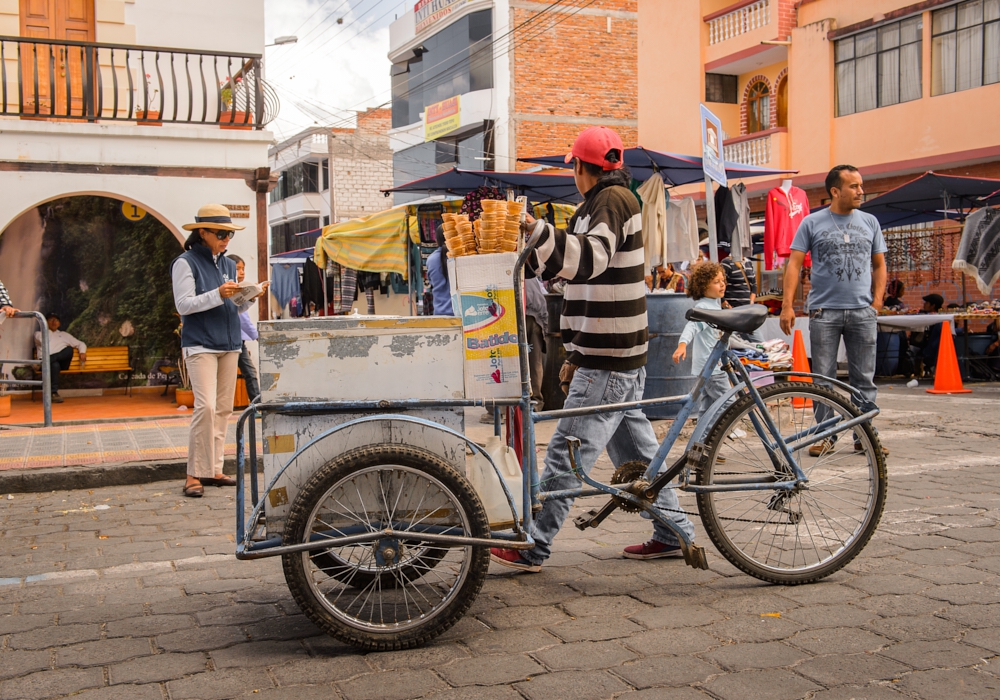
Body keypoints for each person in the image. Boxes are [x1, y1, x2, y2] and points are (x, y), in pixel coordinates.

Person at [490, 126, 695, 571]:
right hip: (610, 353)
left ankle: (534, 545)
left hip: (609, 358)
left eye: (574, 168)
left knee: (568, 450)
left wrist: (535, 227)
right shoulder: (595, 206)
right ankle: (675, 532)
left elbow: (591, 257)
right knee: (640, 455)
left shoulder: (612, 202)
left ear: (582, 168)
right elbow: (569, 271)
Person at [780, 165, 889, 457]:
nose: (860, 191)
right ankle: (827, 434)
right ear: (835, 191)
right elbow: (794, 264)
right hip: (824, 312)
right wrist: (787, 305)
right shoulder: (811, 223)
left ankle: (865, 435)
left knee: (864, 378)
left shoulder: (870, 222)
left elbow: (879, 265)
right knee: (823, 378)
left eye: (861, 185)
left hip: (862, 312)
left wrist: (876, 302)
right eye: (854, 186)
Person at [172, 204, 268, 498]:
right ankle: (192, 474)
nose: (227, 238)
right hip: (200, 343)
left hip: (229, 343)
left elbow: (233, 306)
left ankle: (213, 469)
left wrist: (250, 297)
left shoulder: (227, 264)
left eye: (230, 234)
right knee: (206, 407)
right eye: (222, 233)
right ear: (203, 232)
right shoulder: (185, 263)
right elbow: (184, 305)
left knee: (224, 409)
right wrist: (218, 294)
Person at [674, 262, 730, 418]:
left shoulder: (714, 306)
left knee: (708, 406)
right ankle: (711, 435)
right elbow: (691, 327)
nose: (722, 285)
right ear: (703, 287)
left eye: (722, 280)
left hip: (709, 367)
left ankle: (702, 439)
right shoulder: (705, 308)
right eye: (716, 282)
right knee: (727, 403)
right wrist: (682, 345)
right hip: (713, 367)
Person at [227, 254, 260, 403]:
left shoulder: (239, 289)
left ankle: (256, 404)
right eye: (238, 269)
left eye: (243, 269)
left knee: (249, 372)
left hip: (237, 339)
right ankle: (257, 404)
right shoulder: (231, 290)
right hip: (233, 339)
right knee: (249, 372)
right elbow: (243, 318)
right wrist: (256, 335)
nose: (242, 272)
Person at [33, 313, 86, 404]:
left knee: (69, 350)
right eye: (50, 320)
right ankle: (54, 393)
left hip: (59, 363)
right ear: (44, 322)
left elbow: (81, 343)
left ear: (59, 323)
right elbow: (43, 340)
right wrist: (47, 330)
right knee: (54, 364)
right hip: (50, 365)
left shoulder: (64, 335)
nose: (54, 322)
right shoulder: (38, 334)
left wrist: (82, 352)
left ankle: (45, 361)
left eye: (56, 320)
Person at [721, 253, 760, 342]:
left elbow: (754, 285)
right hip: (732, 315)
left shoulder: (748, 262)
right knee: (729, 343)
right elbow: (720, 287)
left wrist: (751, 302)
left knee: (760, 343)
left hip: (748, 314)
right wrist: (728, 308)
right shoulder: (726, 262)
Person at [524, 276, 548, 407]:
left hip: (519, 311)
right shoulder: (529, 268)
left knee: (508, 361)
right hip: (536, 315)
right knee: (534, 360)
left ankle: (501, 410)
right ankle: (536, 404)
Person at [908, 293, 945, 378]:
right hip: (930, 347)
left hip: (930, 349)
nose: (924, 304)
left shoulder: (933, 318)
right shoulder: (936, 317)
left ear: (933, 305)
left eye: (926, 303)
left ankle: (917, 369)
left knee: (913, 349)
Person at [426, 225, 453, 316]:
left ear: (437, 241)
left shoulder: (431, 260)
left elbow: (431, 282)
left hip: (440, 315)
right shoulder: (460, 256)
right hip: (461, 315)